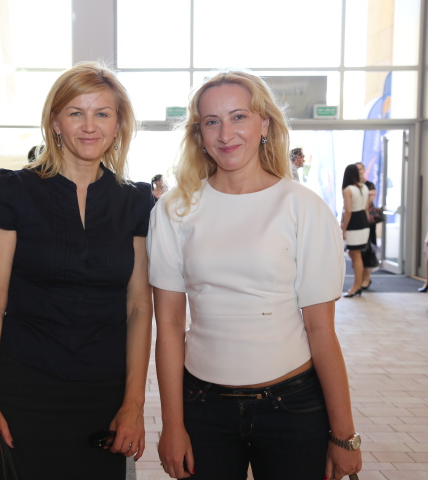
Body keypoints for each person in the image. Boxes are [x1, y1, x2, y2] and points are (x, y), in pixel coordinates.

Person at [148, 70, 361, 480]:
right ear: (199, 133)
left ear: (264, 124)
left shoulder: (303, 208)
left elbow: (321, 330)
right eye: (212, 121)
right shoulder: (175, 209)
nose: (225, 133)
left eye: (239, 117)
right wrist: (172, 424)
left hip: (292, 407)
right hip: (202, 407)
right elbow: (170, 325)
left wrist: (344, 435)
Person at [0, 62, 154, 480]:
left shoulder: (135, 200)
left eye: (102, 113)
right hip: (25, 389)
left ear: (118, 124)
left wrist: (134, 404)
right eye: (76, 113)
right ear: (55, 122)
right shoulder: (13, 190)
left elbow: (139, 307)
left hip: (105, 395)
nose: (89, 126)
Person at [341, 164, 371, 297]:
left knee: (355, 255)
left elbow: (348, 211)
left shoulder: (348, 190)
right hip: (363, 221)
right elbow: (366, 208)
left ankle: (356, 286)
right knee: (356, 254)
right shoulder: (364, 187)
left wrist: (343, 228)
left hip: (354, 223)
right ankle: (357, 285)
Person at [356, 161, 378, 290]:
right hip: (357, 222)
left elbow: (368, 203)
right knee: (358, 251)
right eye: (356, 169)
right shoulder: (352, 185)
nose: (359, 172)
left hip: (368, 221)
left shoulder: (369, 185)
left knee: (368, 249)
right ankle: (359, 278)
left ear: (364, 171)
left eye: (360, 169)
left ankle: (366, 278)